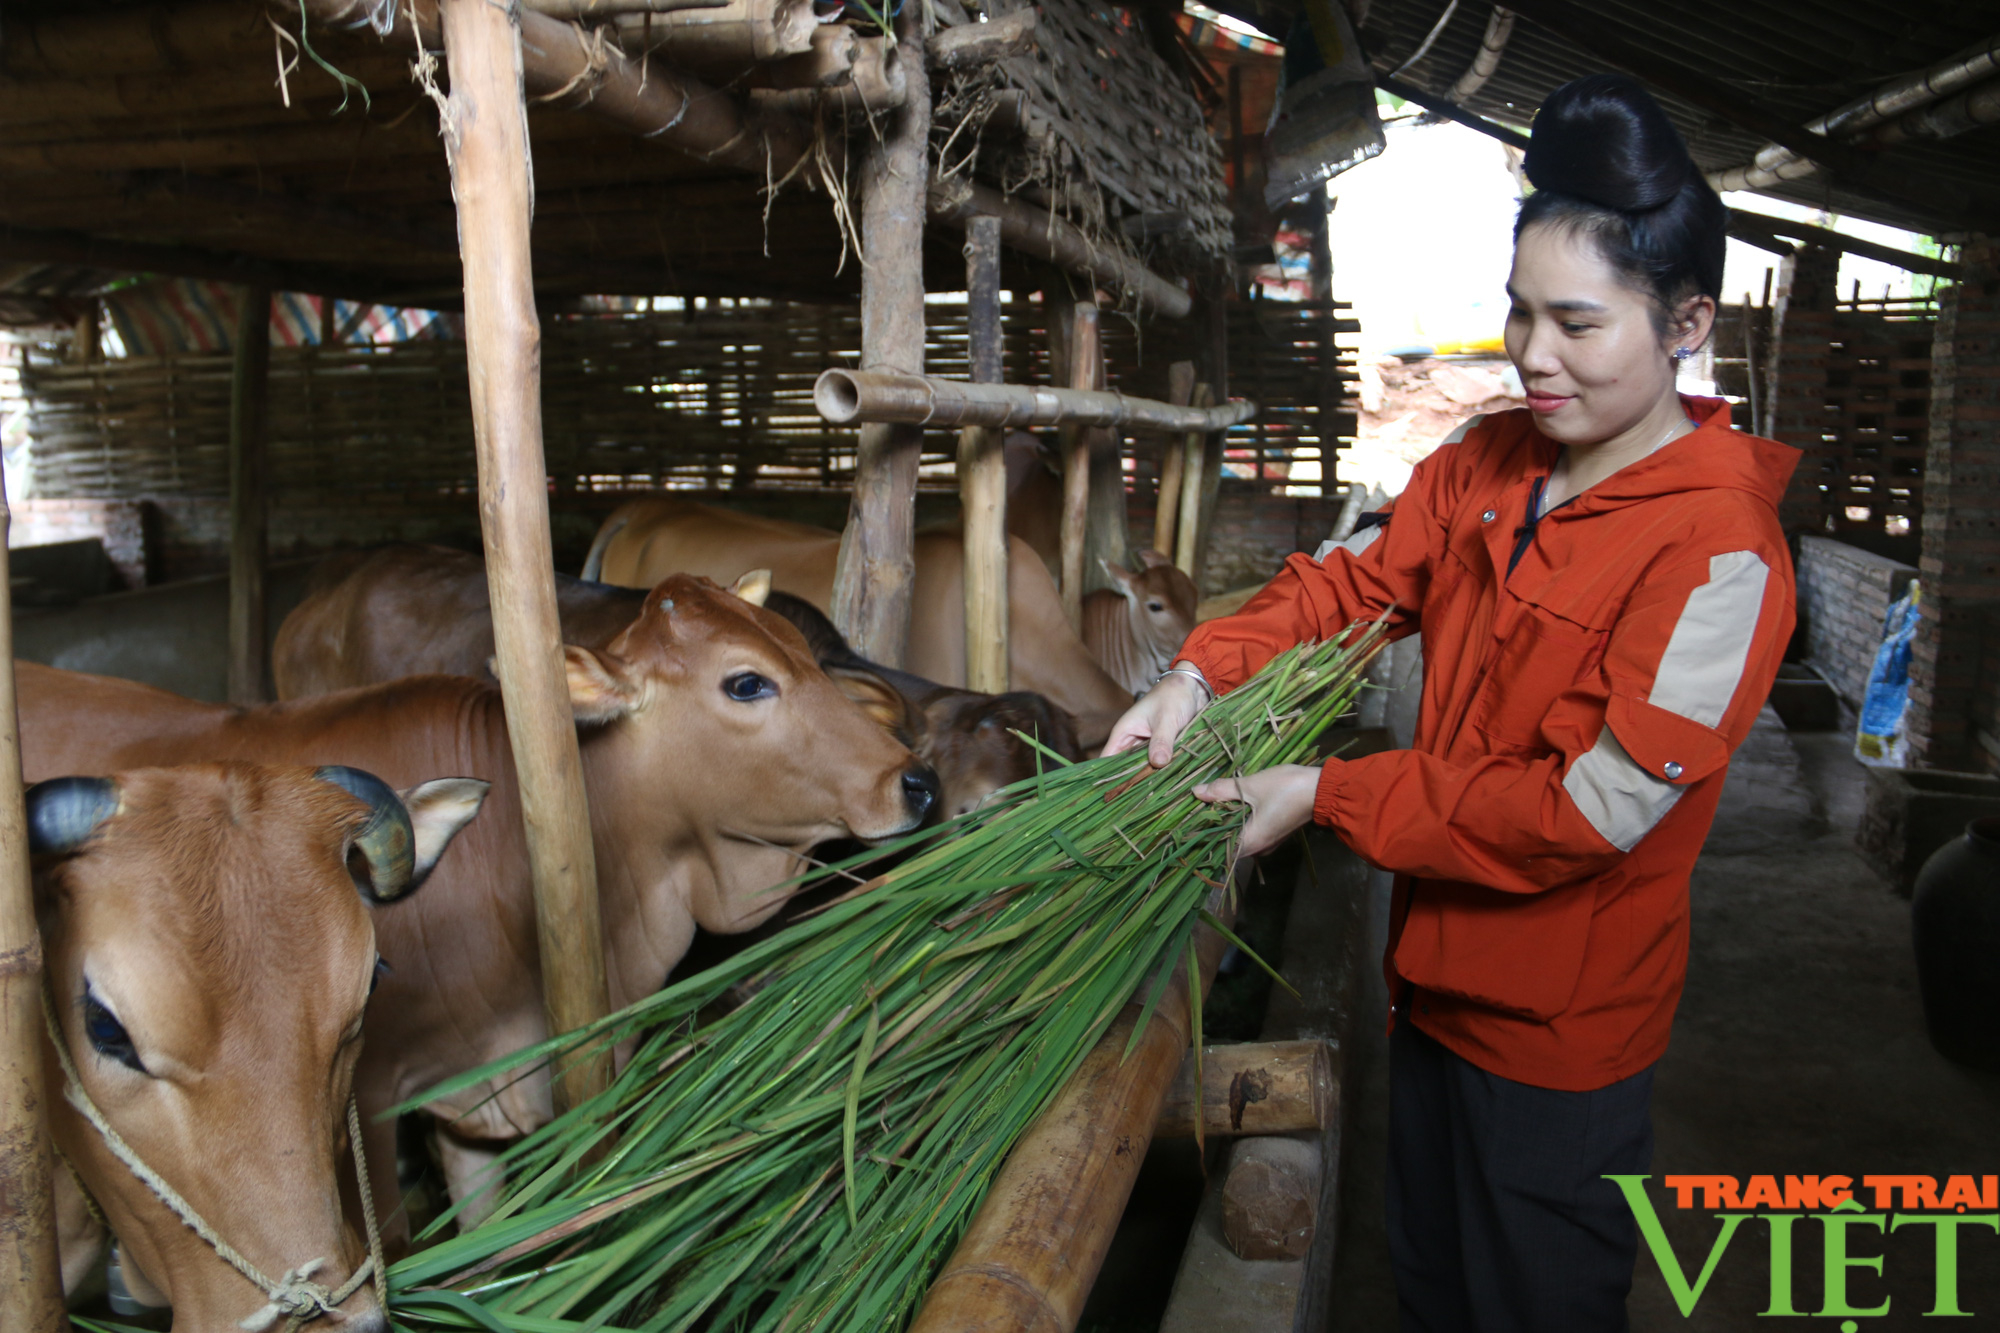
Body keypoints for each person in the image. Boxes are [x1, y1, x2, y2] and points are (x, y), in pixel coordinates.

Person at [1106, 74, 1797, 1332]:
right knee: (1427, 1289)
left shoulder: (1720, 555)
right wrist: (1195, 672)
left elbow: (1586, 809)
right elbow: (1350, 590)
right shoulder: (1487, 461)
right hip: (1424, 990)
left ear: (1686, 320)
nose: (1532, 356)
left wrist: (1326, 794)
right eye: (1518, 312)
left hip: (1559, 1040)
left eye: (1577, 325)